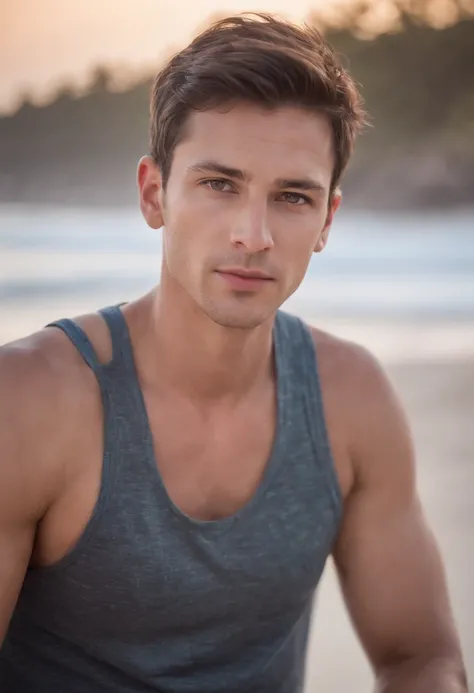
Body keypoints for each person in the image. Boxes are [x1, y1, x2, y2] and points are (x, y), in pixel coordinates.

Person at [0, 12, 467, 693]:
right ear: (154, 192)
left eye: (292, 197)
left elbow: (421, 657)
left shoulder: (349, 400)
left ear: (327, 220)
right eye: (220, 184)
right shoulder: (32, 401)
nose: (254, 235)